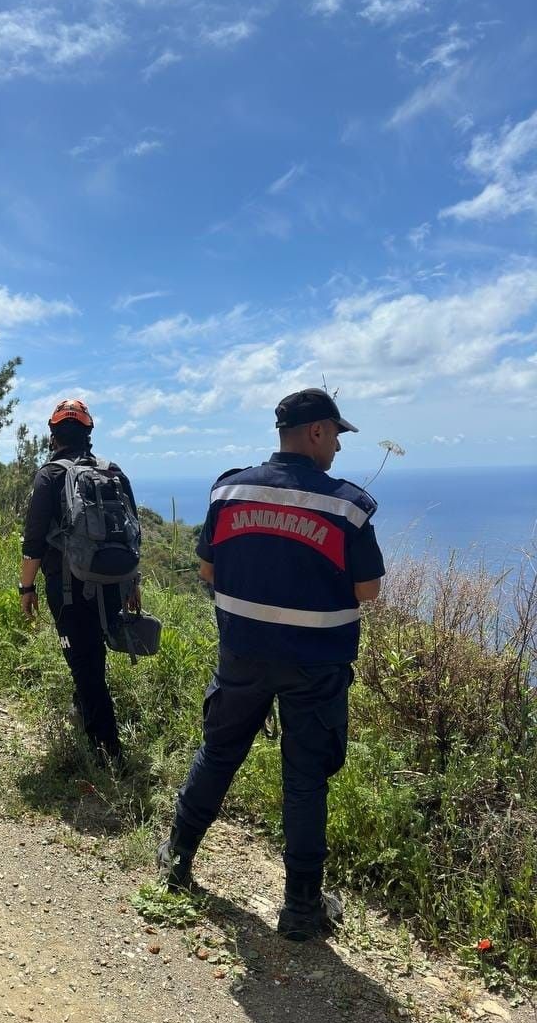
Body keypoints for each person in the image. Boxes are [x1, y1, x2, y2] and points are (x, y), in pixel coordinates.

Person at [157, 388, 385, 941]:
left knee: (217, 752)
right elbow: (368, 591)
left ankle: (178, 858)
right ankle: (302, 909)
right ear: (314, 432)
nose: (337, 446)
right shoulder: (347, 506)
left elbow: (208, 573)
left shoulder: (228, 490)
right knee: (305, 779)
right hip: (316, 664)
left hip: (242, 654)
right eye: (335, 434)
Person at [19, 398, 141, 765]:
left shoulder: (50, 475)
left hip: (69, 586)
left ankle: (108, 751)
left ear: (53, 435)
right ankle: (86, 713)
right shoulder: (113, 471)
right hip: (115, 579)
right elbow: (134, 531)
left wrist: (26, 588)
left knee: (84, 661)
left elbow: (33, 541)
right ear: (88, 433)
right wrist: (133, 584)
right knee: (92, 655)